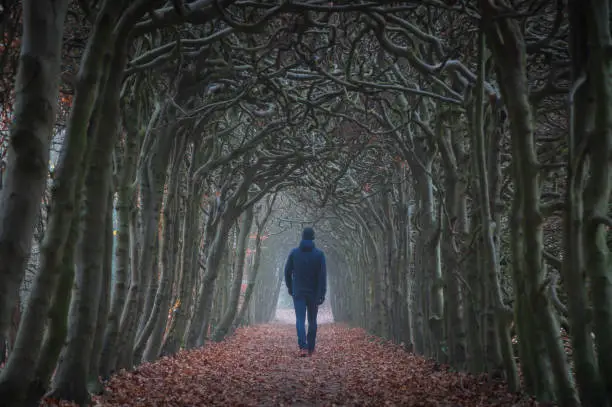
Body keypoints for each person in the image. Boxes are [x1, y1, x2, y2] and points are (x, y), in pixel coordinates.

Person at [284, 227, 327, 357]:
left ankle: (303, 347)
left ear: (302, 237)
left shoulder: (294, 253)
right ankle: (311, 348)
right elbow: (322, 276)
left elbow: (287, 272)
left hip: (298, 292)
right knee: (312, 321)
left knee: (300, 320)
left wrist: (290, 287)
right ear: (313, 237)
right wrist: (322, 293)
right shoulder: (319, 255)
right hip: (314, 293)